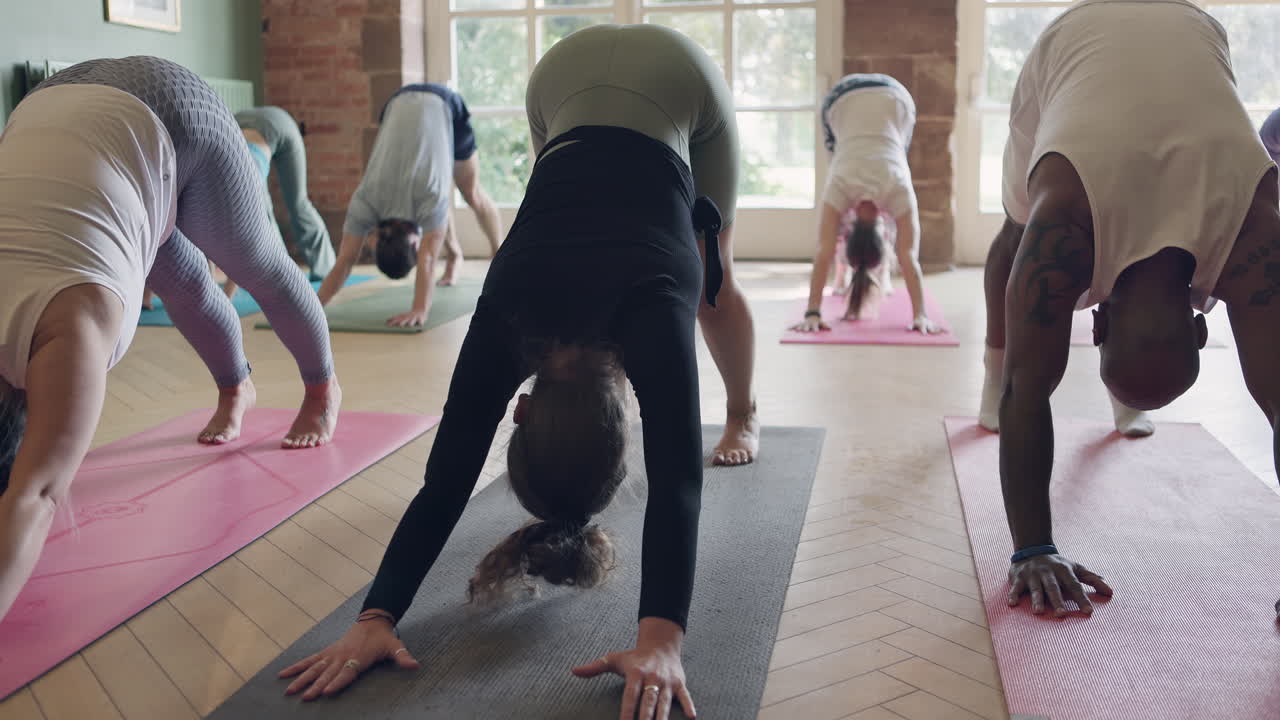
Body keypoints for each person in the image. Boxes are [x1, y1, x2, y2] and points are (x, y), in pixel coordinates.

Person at [276, 24, 755, 719]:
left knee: (711, 288)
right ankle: (746, 411)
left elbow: (680, 479)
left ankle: (743, 410)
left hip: (620, 80)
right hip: (560, 78)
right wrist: (372, 614)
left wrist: (661, 638)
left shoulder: (649, 317)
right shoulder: (506, 314)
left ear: (625, 412)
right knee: (716, 285)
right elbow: (446, 484)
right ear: (522, 412)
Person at [0, 56, 343, 621]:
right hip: (53, 111)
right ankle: (237, 389)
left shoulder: (69, 334)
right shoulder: (71, 316)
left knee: (259, 264)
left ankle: (322, 390)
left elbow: (35, 494)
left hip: (173, 110)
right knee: (182, 286)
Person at [986, 0, 1279, 618]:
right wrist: (1030, 548)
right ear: (1204, 328)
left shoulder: (1255, 227)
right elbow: (1022, 389)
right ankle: (990, 351)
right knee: (1015, 225)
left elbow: (1033, 392)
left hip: (1197, 27)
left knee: (1026, 260)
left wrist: (1034, 547)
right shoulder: (1061, 221)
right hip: (1068, 44)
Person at [316, 83, 504, 328]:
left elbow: (426, 258)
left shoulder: (416, 198)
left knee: (471, 194)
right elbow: (345, 260)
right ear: (373, 240)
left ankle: (501, 257)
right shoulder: (364, 202)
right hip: (396, 100)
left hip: (444, 104)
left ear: (415, 242)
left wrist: (419, 310)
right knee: (434, 204)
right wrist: (313, 304)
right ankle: (455, 256)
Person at [792, 74, 939, 334]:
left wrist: (813, 313)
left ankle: (841, 280)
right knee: (843, 154)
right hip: (846, 98)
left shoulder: (896, 187)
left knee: (892, 146)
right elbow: (908, 257)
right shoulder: (842, 185)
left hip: (897, 99)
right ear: (848, 234)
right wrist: (920, 315)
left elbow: (824, 251)